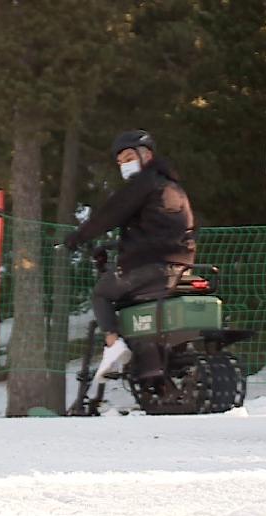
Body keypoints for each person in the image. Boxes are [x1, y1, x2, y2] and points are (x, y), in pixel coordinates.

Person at [64, 130, 196, 383]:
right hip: (181, 266)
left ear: (145, 155)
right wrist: (116, 243)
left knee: (102, 293)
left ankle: (113, 343)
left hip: (149, 268)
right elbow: (160, 229)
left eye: (128, 158)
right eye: (120, 162)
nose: (124, 165)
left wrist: (77, 238)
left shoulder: (143, 184)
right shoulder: (172, 187)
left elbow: (109, 214)